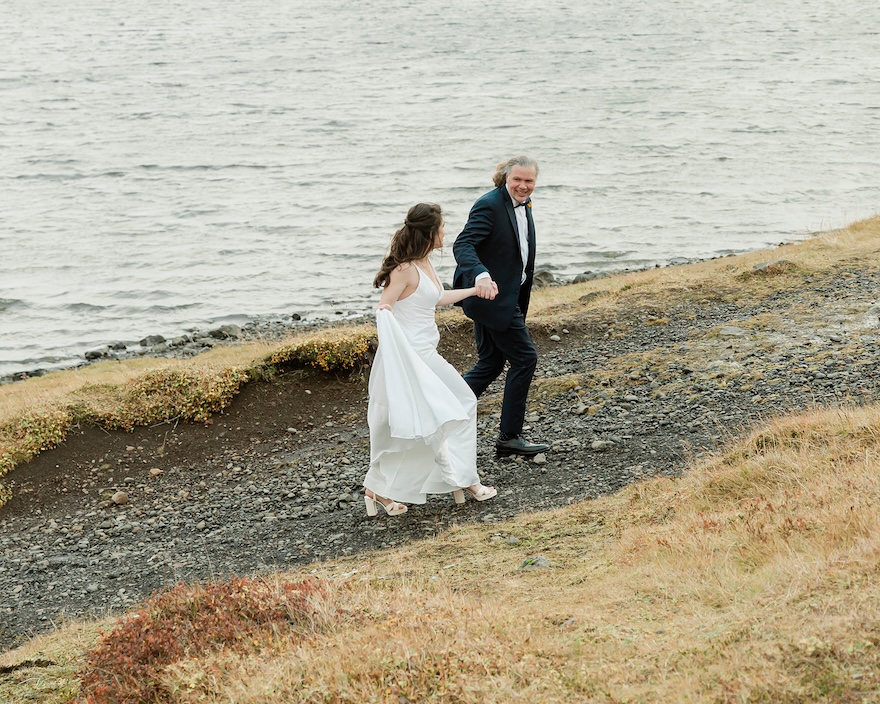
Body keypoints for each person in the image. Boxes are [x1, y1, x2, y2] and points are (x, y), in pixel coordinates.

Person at [364, 202, 498, 517]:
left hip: (427, 354)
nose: (445, 233)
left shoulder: (424, 263)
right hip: (410, 359)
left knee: (442, 415)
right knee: (448, 409)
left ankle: (457, 480)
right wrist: (386, 318)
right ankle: (464, 482)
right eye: (441, 229)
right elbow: (385, 305)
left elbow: (436, 298)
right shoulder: (404, 269)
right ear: (429, 233)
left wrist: (473, 291)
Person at [452, 156, 550, 457]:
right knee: (525, 359)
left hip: (506, 297)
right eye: (517, 180)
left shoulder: (524, 204)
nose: (523, 186)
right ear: (505, 177)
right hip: (492, 297)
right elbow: (463, 245)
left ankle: (440, 414)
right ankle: (509, 437)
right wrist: (481, 274)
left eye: (529, 181)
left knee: (491, 364)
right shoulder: (489, 205)